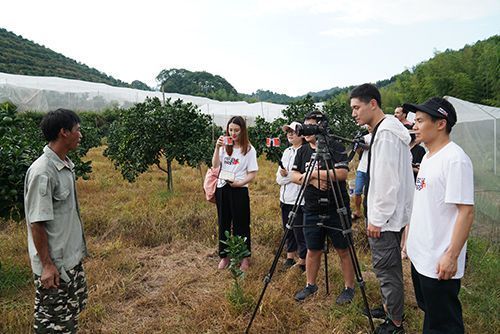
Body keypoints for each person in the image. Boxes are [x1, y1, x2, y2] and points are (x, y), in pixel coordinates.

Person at [404, 97, 474, 334]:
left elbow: (466, 211)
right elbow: (423, 204)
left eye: (420, 120)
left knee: (446, 323)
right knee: (430, 312)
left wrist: (451, 256)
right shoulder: (427, 156)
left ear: (441, 123)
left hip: (439, 259)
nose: (414, 125)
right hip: (421, 254)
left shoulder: (455, 159)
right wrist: (409, 239)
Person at [350, 84, 414, 334]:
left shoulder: (386, 133)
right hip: (388, 215)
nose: (354, 113)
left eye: (357, 107)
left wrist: (376, 219)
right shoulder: (384, 130)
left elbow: (387, 182)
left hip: (385, 219)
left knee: (387, 269)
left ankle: (395, 323)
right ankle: (389, 307)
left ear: (372, 104)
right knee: (385, 268)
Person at [24, 108, 88, 333]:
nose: (80, 135)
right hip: (56, 266)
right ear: (64, 132)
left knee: (68, 319)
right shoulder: (43, 171)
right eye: (77, 130)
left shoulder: (65, 165)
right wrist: (48, 266)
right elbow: (37, 222)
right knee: (52, 325)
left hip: (69, 260)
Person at [291, 111, 356, 305]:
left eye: (311, 125)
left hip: (336, 206)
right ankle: (310, 285)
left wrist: (314, 174)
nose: (306, 130)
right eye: (305, 126)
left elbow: (343, 173)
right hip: (311, 207)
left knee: (344, 248)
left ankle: (349, 288)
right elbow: (293, 176)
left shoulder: (334, 146)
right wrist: (312, 179)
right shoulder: (302, 151)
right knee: (313, 249)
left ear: (322, 127)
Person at [212, 116, 258, 271]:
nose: (233, 133)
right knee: (223, 222)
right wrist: (217, 148)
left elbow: (252, 173)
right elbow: (215, 165)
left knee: (242, 223)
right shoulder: (225, 146)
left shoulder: (249, 150)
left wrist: (241, 183)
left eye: (236, 130)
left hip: (239, 189)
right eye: (230, 130)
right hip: (223, 187)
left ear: (243, 130)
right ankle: (224, 256)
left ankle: (244, 257)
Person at [276, 121, 307, 271]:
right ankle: (290, 256)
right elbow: (279, 179)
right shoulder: (287, 151)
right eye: (288, 131)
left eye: (293, 132)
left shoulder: (305, 151)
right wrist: (290, 176)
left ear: (301, 134)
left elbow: (302, 178)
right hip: (285, 197)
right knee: (287, 229)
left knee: (299, 231)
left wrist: (289, 175)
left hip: (299, 199)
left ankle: (303, 260)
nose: (290, 134)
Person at [352, 126, 371, 220]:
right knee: (357, 191)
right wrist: (359, 145)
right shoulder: (365, 137)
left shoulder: (379, 136)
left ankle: (369, 212)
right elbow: (358, 153)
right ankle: (358, 211)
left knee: (369, 193)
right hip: (362, 167)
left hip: (372, 169)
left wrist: (368, 146)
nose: (369, 127)